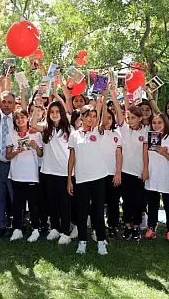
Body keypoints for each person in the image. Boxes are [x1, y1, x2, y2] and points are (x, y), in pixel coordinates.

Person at [67, 103, 110, 255]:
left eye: (94, 117)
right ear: (82, 118)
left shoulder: (98, 131)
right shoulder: (74, 135)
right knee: (82, 212)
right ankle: (82, 241)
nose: (92, 119)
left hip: (98, 177)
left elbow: (104, 122)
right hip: (81, 179)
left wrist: (104, 99)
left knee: (98, 212)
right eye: (88, 116)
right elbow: (72, 157)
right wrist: (69, 179)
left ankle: (101, 242)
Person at [31, 99, 72, 245]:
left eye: (57, 112)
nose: (55, 115)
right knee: (52, 203)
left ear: (62, 113)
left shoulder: (69, 129)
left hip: (64, 172)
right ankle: (55, 228)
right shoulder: (46, 128)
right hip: (48, 171)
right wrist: (37, 106)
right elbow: (33, 125)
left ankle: (65, 232)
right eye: (52, 112)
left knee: (65, 204)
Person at [112, 88, 149, 241]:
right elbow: (117, 107)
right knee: (126, 201)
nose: (130, 120)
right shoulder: (123, 129)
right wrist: (115, 93)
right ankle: (127, 226)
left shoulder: (146, 130)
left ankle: (136, 227)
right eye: (128, 117)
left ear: (140, 119)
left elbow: (145, 153)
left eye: (133, 117)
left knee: (138, 202)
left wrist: (145, 170)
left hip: (139, 172)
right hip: (125, 172)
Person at [7, 109, 43, 242]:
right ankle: (17, 229)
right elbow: (7, 155)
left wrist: (36, 147)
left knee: (33, 204)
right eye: (17, 118)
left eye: (22, 117)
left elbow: (40, 154)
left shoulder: (35, 134)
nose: (20, 120)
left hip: (31, 175)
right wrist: (15, 152)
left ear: (28, 118)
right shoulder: (11, 134)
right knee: (17, 204)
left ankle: (35, 229)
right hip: (16, 175)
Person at [144, 113, 169, 242]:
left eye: (160, 123)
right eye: (154, 123)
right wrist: (145, 170)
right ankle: (151, 227)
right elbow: (146, 156)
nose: (156, 125)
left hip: (167, 175)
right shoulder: (150, 137)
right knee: (152, 204)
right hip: (153, 175)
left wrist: (164, 153)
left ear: (165, 124)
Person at [0, 89, 17, 237]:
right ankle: (0, 225)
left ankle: (17, 225)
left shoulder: (19, 118)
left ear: (14, 104)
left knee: (16, 196)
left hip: (16, 162)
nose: (6, 105)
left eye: (9, 102)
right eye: (3, 101)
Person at [100, 106, 123, 238]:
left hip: (112, 173)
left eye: (110, 118)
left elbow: (119, 154)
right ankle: (97, 226)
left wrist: (118, 172)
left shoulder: (117, 134)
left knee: (113, 202)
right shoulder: (96, 133)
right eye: (105, 118)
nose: (107, 121)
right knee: (98, 202)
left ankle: (112, 225)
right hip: (98, 174)